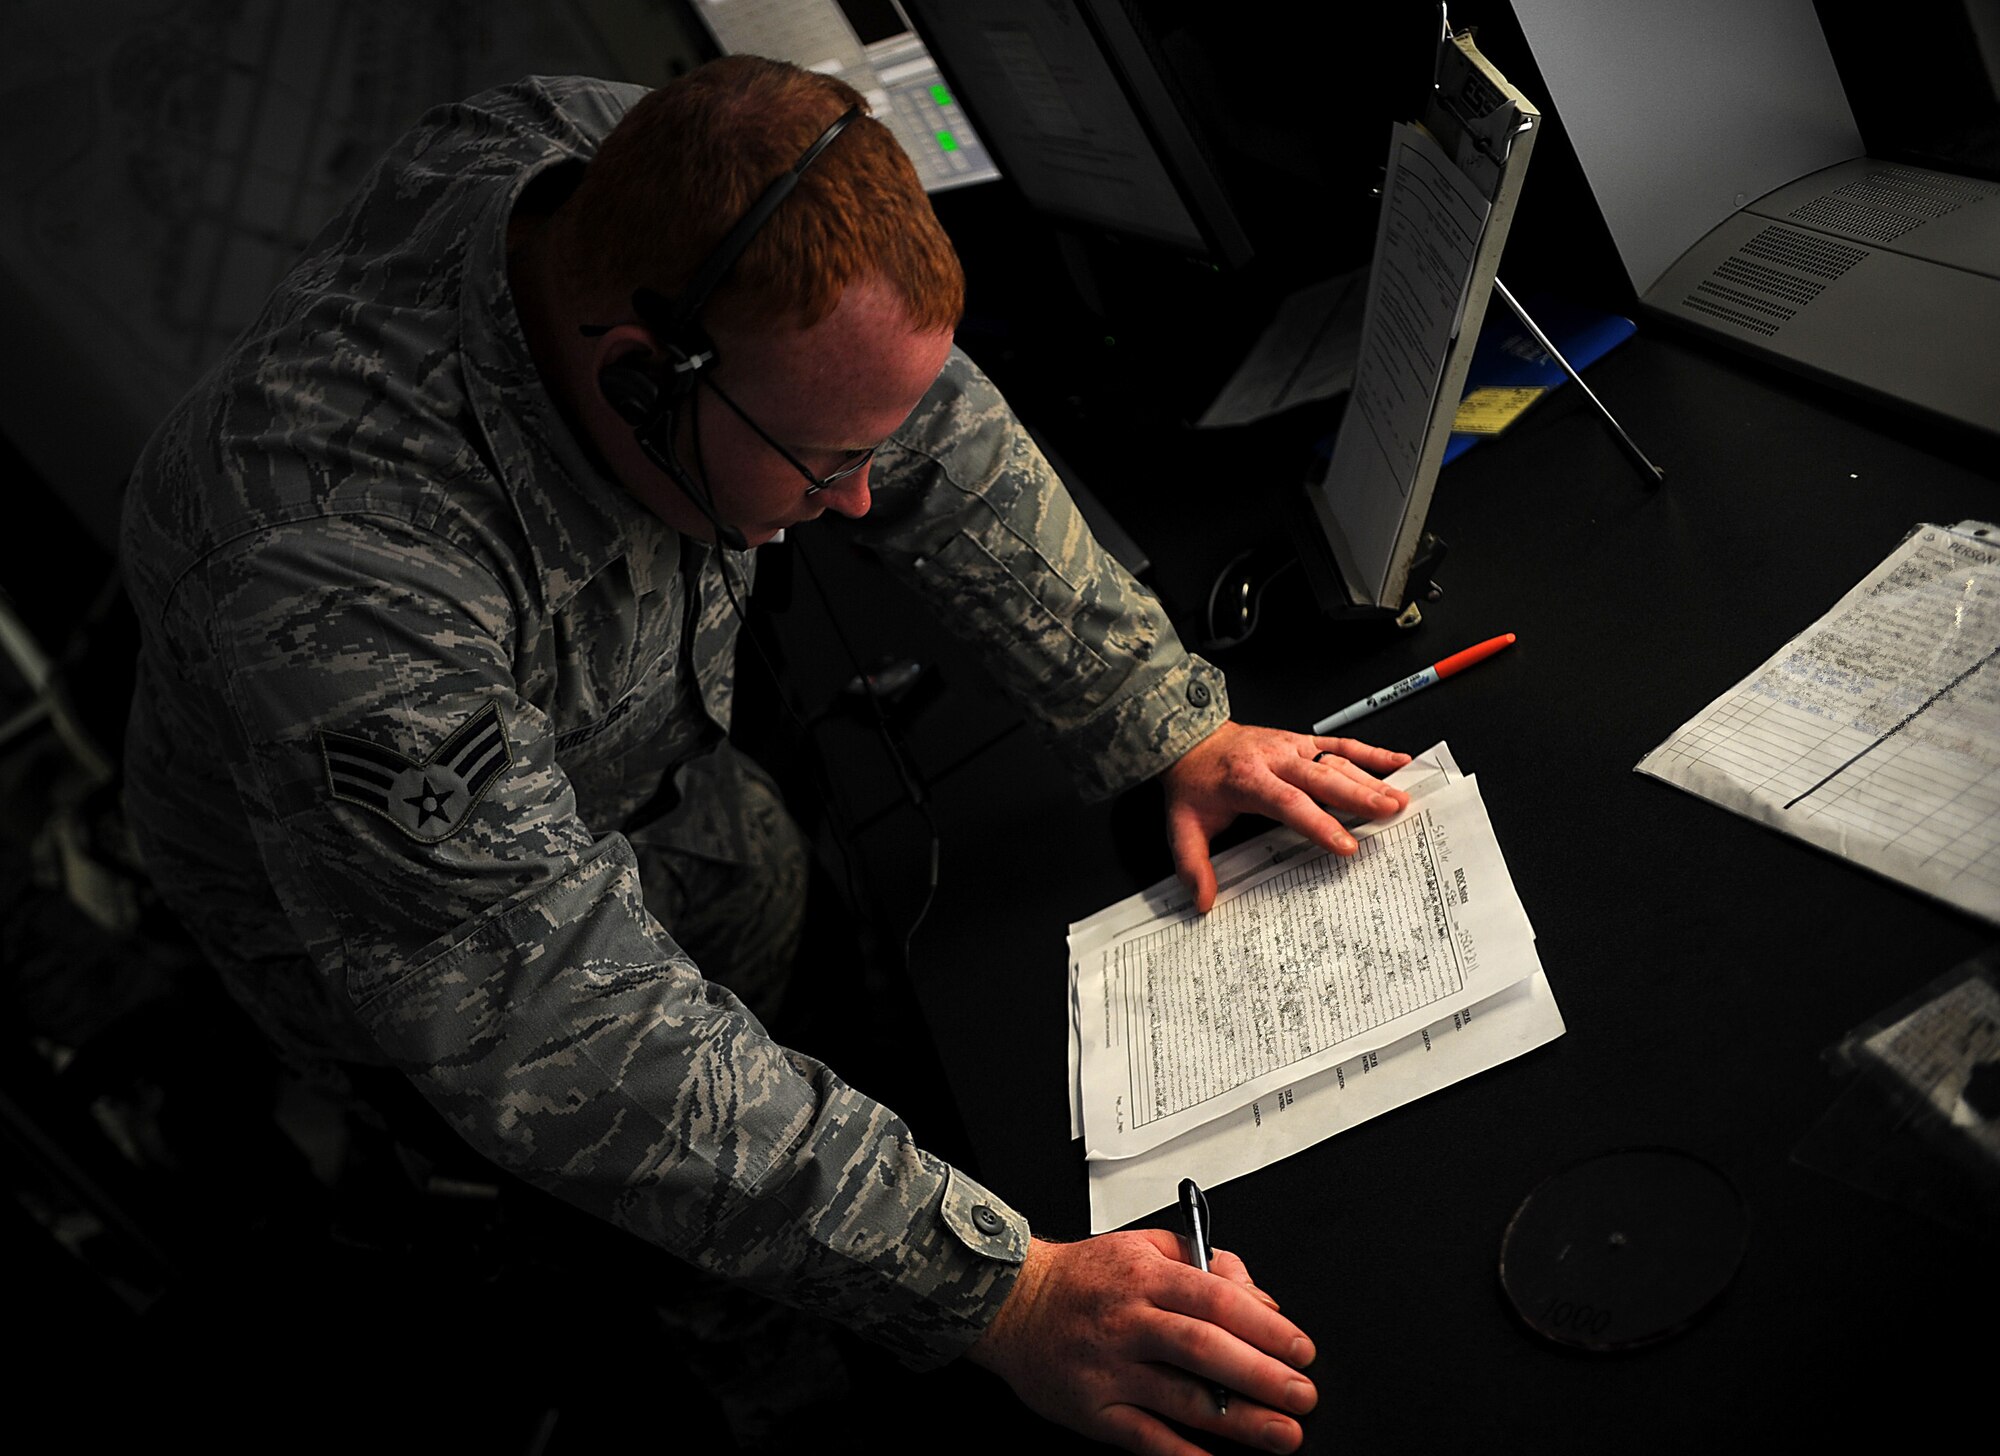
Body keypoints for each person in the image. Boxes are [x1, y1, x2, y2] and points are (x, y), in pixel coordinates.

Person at [118, 57, 1411, 1455]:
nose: (860, 498)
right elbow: (563, 1030)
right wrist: (1002, 1295)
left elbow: (915, 418)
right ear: (640, 381)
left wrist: (1167, 718)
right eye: (820, 469)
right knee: (720, 1315)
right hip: (442, 978)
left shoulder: (642, 181)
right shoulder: (335, 584)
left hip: (691, 816)